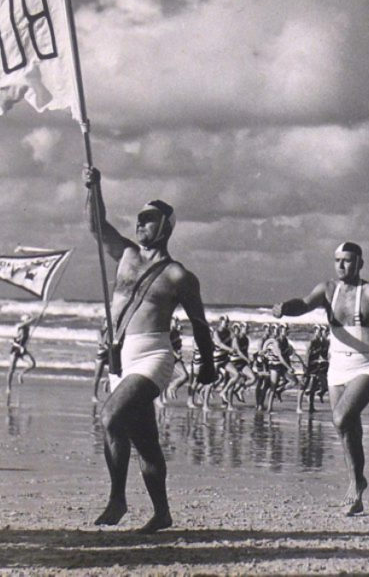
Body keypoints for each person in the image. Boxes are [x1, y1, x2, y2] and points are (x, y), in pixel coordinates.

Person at [84, 166, 217, 532]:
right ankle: (162, 513)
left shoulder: (179, 276)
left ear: (166, 227)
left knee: (111, 416)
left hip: (153, 355)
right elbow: (97, 227)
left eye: (149, 219)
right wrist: (93, 188)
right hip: (119, 356)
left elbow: (200, 323)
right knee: (145, 442)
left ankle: (117, 499)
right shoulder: (126, 255)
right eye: (139, 219)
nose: (141, 224)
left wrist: (207, 364)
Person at [273, 241, 369, 515]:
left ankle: (356, 484)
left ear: (360, 263)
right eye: (337, 260)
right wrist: (284, 308)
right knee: (347, 428)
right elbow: (303, 304)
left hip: (367, 366)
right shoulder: (328, 290)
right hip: (336, 367)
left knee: (341, 417)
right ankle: (357, 483)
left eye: (347, 260)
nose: (341, 265)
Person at [7, 313, 37, 393]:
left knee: (32, 364)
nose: (28, 321)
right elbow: (12, 341)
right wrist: (36, 317)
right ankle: (8, 387)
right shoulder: (20, 326)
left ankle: (20, 374)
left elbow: (33, 321)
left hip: (23, 350)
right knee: (11, 369)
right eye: (27, 319)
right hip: (16, 349)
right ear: (24, 320)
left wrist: (38, 318)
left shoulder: (27, 329)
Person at [93, 319, 111, 403]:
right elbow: (101, 343)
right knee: (97, 376)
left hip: (108, 354)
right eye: (107, 321)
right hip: (101, 355)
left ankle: (106, 382)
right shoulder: (99, 332)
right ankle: (94, 395)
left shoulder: (111, 331)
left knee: (115, 371)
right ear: (103, 323)